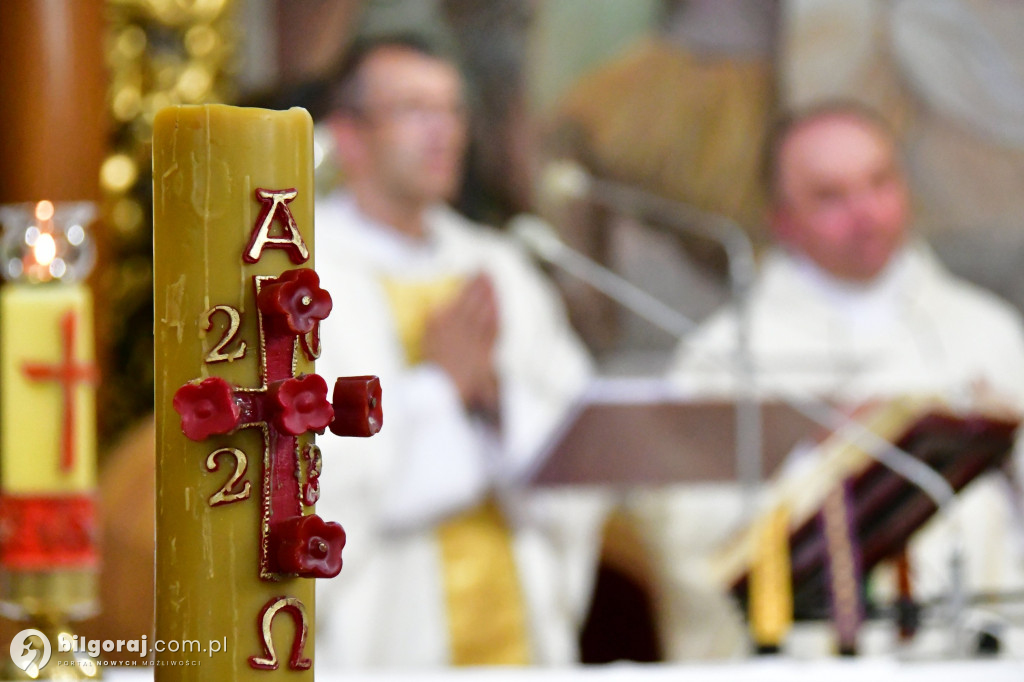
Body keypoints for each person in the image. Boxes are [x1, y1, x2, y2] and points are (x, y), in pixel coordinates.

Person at [641, 101, 1024, 658]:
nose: (865, 212)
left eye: (879, 182)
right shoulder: (725, 356)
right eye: (830, 196)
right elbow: (686, 541)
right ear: (781, 219)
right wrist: (804, 453)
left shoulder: (984, 329)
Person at [312, 35, 608, 668]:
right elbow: (312, 480)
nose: (442, 133)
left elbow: (574, 443)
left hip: (516, 627)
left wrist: (497, 403)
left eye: (451, 111)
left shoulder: (499, 266)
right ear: (351, 135)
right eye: (415, 110)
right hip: (385, 632)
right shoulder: (306, 282)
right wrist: (440, 391)